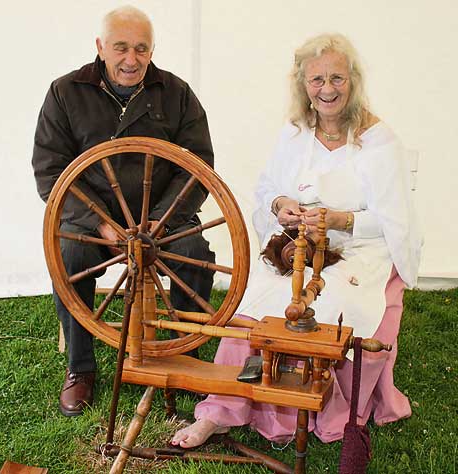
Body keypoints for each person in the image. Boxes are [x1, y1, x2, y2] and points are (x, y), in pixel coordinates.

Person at [172, 33, 421, 448]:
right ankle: (221, 411)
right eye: (317, 79)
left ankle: (308, 405)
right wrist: (281, 205)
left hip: (358, 251)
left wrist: (340, 220)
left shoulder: (379, 142)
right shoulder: (294, 133)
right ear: (303, 84)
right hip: (298, 246)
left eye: (337, 78)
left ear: (354, 80)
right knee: (254, 303)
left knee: (329, 302)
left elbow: (395, 221)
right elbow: (267, 188)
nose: (327, 89)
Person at [32, 6, 215, 417]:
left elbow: (197, 166)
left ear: (152, 50)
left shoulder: (176, 93)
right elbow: (50, 171)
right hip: (94, 220)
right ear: (100, 47)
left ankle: (183, 357)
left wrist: (161, 220)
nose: (131, 59)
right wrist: (100, 222)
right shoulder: (65, 92)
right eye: (121, 48)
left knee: (196, 256)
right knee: (69, 256)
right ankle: (80, 367)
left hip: (162, 220)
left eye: (141, 49)